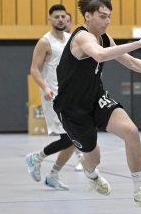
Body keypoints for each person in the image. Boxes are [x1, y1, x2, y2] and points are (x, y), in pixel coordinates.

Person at [53, 0, 141, 208]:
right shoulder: (81, 37)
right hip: (72, 109)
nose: (107, 21)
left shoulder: (105, 38)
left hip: (96, 99)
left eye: (109, 16)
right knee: (93, 158)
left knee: (131, 131)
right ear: (87, 16)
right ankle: (92, 174)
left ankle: (140, 191)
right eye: (102, 16)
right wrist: (138, 43)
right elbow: (100, 55)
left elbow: (130, 62)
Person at [26, 4, 78, 190]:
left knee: (74, 139)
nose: (61, 20)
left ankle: (53, 174)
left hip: (70, 95)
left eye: (63, 16)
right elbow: (34, 69)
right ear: (50, 19)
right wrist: (45, 87)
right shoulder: (44, 42)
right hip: (53, 96)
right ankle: (36, 157)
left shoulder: (71, 39)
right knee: (69, 138)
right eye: (56, 17)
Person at [63, 11, 84, 171]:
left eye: (68, 20)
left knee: (78, 125)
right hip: (61, 88)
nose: (64, 22)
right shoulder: (50, 41)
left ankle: (82, 157)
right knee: (66, 131)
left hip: (78, 90)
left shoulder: (77, 40)